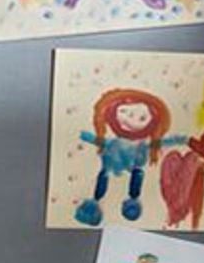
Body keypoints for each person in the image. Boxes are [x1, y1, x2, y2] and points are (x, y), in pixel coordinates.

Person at [76, 88, 184, 226]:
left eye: (142, 118)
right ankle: (94, 204)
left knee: (136, 173)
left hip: (133, 165)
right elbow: (96, 140)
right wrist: (81, 134)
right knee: (105, 175)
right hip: (111, 164)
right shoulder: (113, 142)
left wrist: (182, 140)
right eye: (124, 112)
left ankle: (133, 202)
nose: (131, 120)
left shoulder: (142, 145)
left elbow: (162, 142)